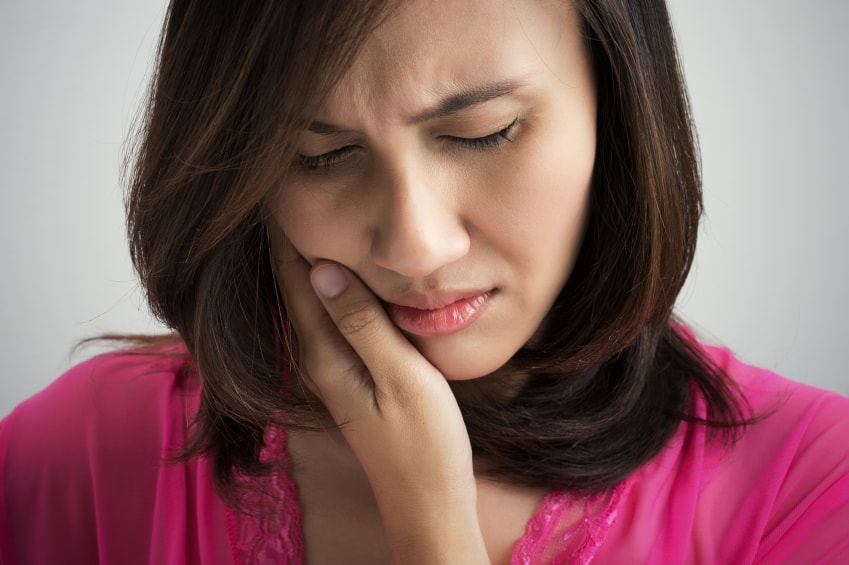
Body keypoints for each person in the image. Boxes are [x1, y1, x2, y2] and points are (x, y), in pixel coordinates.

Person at [2, 0, 848, 563]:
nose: (416, 245)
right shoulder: (82, 451)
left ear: (615, 109)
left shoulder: (809, 480)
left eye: (485, 132)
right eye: (320, 156)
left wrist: (432, 528)